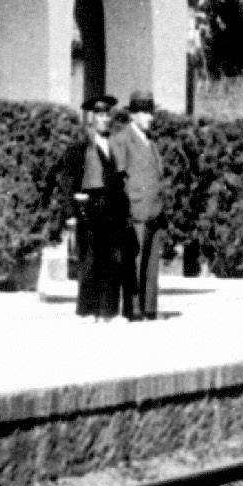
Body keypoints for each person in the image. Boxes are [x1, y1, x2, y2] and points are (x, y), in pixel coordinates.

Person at [52, 96, 132, 318]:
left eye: (107, 115)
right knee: (89, 261)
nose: (105, 119)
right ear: (91, 119)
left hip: (113, 211)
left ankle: (108, 312)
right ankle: (87, 311)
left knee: (113, 261)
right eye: (100, 115)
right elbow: (67, 181)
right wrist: (71, 212)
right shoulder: (79, 148)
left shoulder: (115, 146)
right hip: (89, 210)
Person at [121, 93, 166, 319]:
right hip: (136, 211)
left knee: (151, 264)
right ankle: (133, 309)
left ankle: (149, 308)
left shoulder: (150, 142)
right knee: (136, 261)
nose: (150, 117)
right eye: (145, 112)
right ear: (133, 115)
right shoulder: (123, 140)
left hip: (154, 210)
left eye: (151, 112)